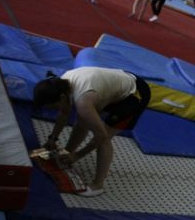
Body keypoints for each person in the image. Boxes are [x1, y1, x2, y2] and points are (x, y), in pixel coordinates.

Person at [33, 67, 150, 197]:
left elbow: (101, 136)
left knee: (105, 138)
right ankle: (67, 153)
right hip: (114, 85)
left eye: (54, 106)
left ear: (62, 98)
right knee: (81, 121)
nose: (56, 110)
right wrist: (53, 138)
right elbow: (63, 114)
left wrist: (78, 155)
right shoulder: (62, 84)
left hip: (135, 94)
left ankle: (97, 186)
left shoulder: (83, 102)